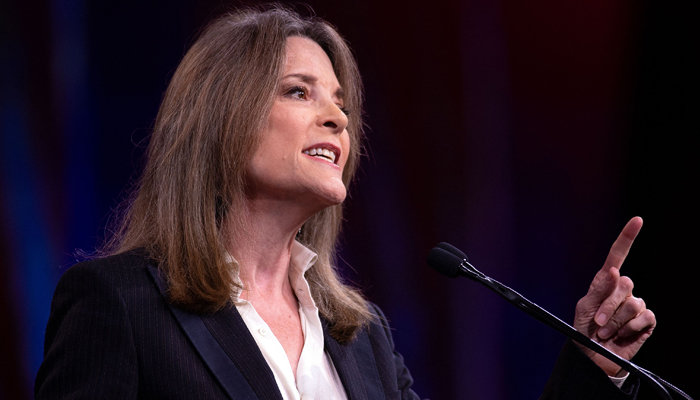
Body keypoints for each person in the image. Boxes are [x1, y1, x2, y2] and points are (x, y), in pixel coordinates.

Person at [34, 5, 657, 400]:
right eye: (299, 92)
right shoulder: (119, 304)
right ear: (221, 119)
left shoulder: (361, 339)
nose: (335, 117)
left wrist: (591, 366)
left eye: (342, 104)